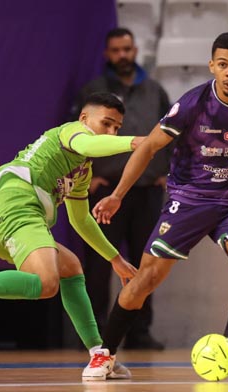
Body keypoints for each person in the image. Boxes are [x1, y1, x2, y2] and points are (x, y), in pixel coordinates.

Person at [81, 32, 228, 381]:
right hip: (189, 200)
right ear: (212, 66)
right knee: (146, 279)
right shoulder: (192, 104)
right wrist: (118, 194)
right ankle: (105, 354)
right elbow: (147, 148)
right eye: (223, 65)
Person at [0, 92, 140, 378]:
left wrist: (115, 258)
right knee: (47, 284)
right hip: (16, 202)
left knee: (70, 267)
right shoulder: (72, 132)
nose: (111, 132)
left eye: (117, 129)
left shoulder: (82, 170)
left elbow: (81, 219)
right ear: (84, 118)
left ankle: (99, 355)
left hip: (9, 218)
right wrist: (137, 143)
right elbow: (91, 143)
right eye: (106, 124)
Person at [70, 27, 171, 350]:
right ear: (107, 54)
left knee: (147, 262)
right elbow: (77, 135)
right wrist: (92, 174)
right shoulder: (95, 91)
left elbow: (171, 133)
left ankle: (140, 331)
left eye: (127, 49)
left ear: (135, 49)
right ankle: (96, 333)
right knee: (100, 263)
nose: (122, 55)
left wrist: (166, 173)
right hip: (106, 189)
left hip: (147, 190)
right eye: (116, 50)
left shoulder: (154, 90)